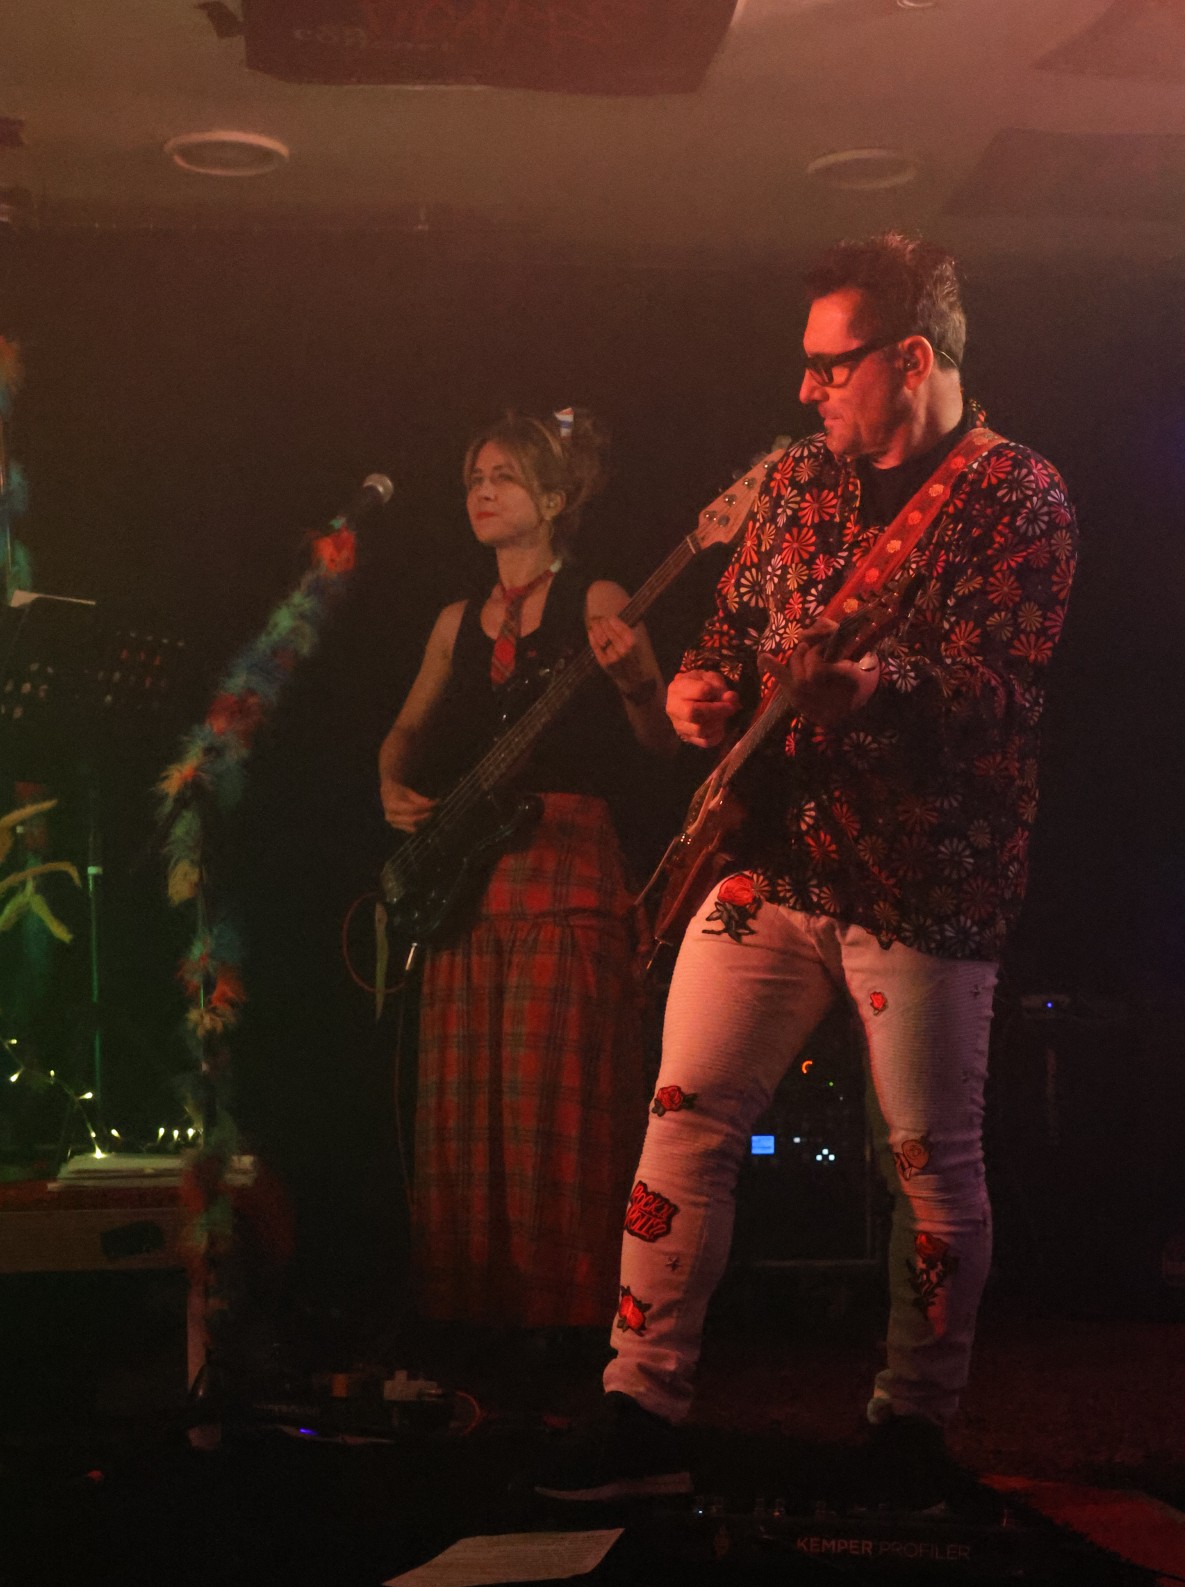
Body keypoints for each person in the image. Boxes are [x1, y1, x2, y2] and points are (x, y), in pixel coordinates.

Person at [536, 235, 1078, 1510]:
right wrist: (695, 689)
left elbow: (1003, 691)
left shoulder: (1021, 496)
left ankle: (912, 1429)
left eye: (833, 367)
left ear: (913, 359)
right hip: (770, 862)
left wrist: (873, 688)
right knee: (684, 1118)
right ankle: (639, 1402)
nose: (807, 391)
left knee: (929, 1166)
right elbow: (729, 632)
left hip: (925, 885)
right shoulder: (796, 482)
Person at [379, 407, 674, 1347]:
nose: (482, 491)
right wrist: (389, 780)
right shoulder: (455, 621)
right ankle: (473, 1324)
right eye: (474, 478)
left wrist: (635, 684)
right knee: (464, 1103)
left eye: (503, 476)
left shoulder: (598, 598)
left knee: (554, 1104)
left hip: (567, 867)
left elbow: (660, 737)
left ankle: (575, 1326)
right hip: (468, 880)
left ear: (552, 500)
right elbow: (407, 728)